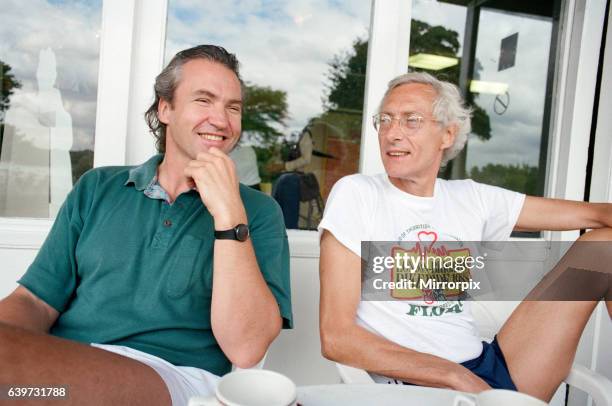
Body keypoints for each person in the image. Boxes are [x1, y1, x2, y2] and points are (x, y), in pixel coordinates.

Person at [0, 45, 292, 405]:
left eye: (233, 107)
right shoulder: (97, 188)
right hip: (65, 366)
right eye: (204, 100)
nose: (221, 119)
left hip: (175, 379)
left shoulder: (258, 212)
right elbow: (33, 300)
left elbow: (246, 349)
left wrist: (229, 213)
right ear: (165, 108)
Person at [318, 71, 611, 402]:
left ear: (447, 134)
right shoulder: (357, 193)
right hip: (422, 386)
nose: (392, 133)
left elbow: (598, 215)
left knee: (605, 249)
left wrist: (469, 377)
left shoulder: (471, 198)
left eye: (410, 120)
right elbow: (337, 338)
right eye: (384, 120)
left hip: (487, 366)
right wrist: (455, 376)